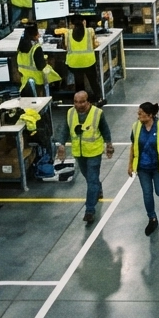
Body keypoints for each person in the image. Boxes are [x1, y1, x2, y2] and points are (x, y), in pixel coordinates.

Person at [56, 90, 114, 225]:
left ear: (88, 101)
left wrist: (109, 145)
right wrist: (62, 145)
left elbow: (105, 130)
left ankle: (89, 210)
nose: (79, 105)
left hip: (94, 152)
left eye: (82, 102)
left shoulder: (97, 113)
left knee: (91, 180)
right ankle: (98, 188)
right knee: (89, 177)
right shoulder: (70, 113)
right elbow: (65, 130)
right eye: (76, 102)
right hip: (79, 153)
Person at [128, 101, 159, 236]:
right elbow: (133, 147)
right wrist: (130, 165)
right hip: (143, 168)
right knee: (147, 193)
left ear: (150, 115)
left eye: (141, 113)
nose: (138, 115)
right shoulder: (136, 127)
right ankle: (152, 218)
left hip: (158, 167)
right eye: (138, 113)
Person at [17, 22, 61, 96]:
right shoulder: (36, 48)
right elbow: (41, 66)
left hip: (25, 83)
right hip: (38, 83)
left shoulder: (20, 48)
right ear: (35, 35)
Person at [61, 14, 98, 99]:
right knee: (93, 81)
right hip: (89, 61)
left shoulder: (67, 33)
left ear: (71, 24)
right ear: (83, 21)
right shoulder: (90, 31)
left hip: (74, 63)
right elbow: (94, 45)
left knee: (79, 82)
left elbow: (66, 47)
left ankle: (80, 99)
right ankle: (98, 97)